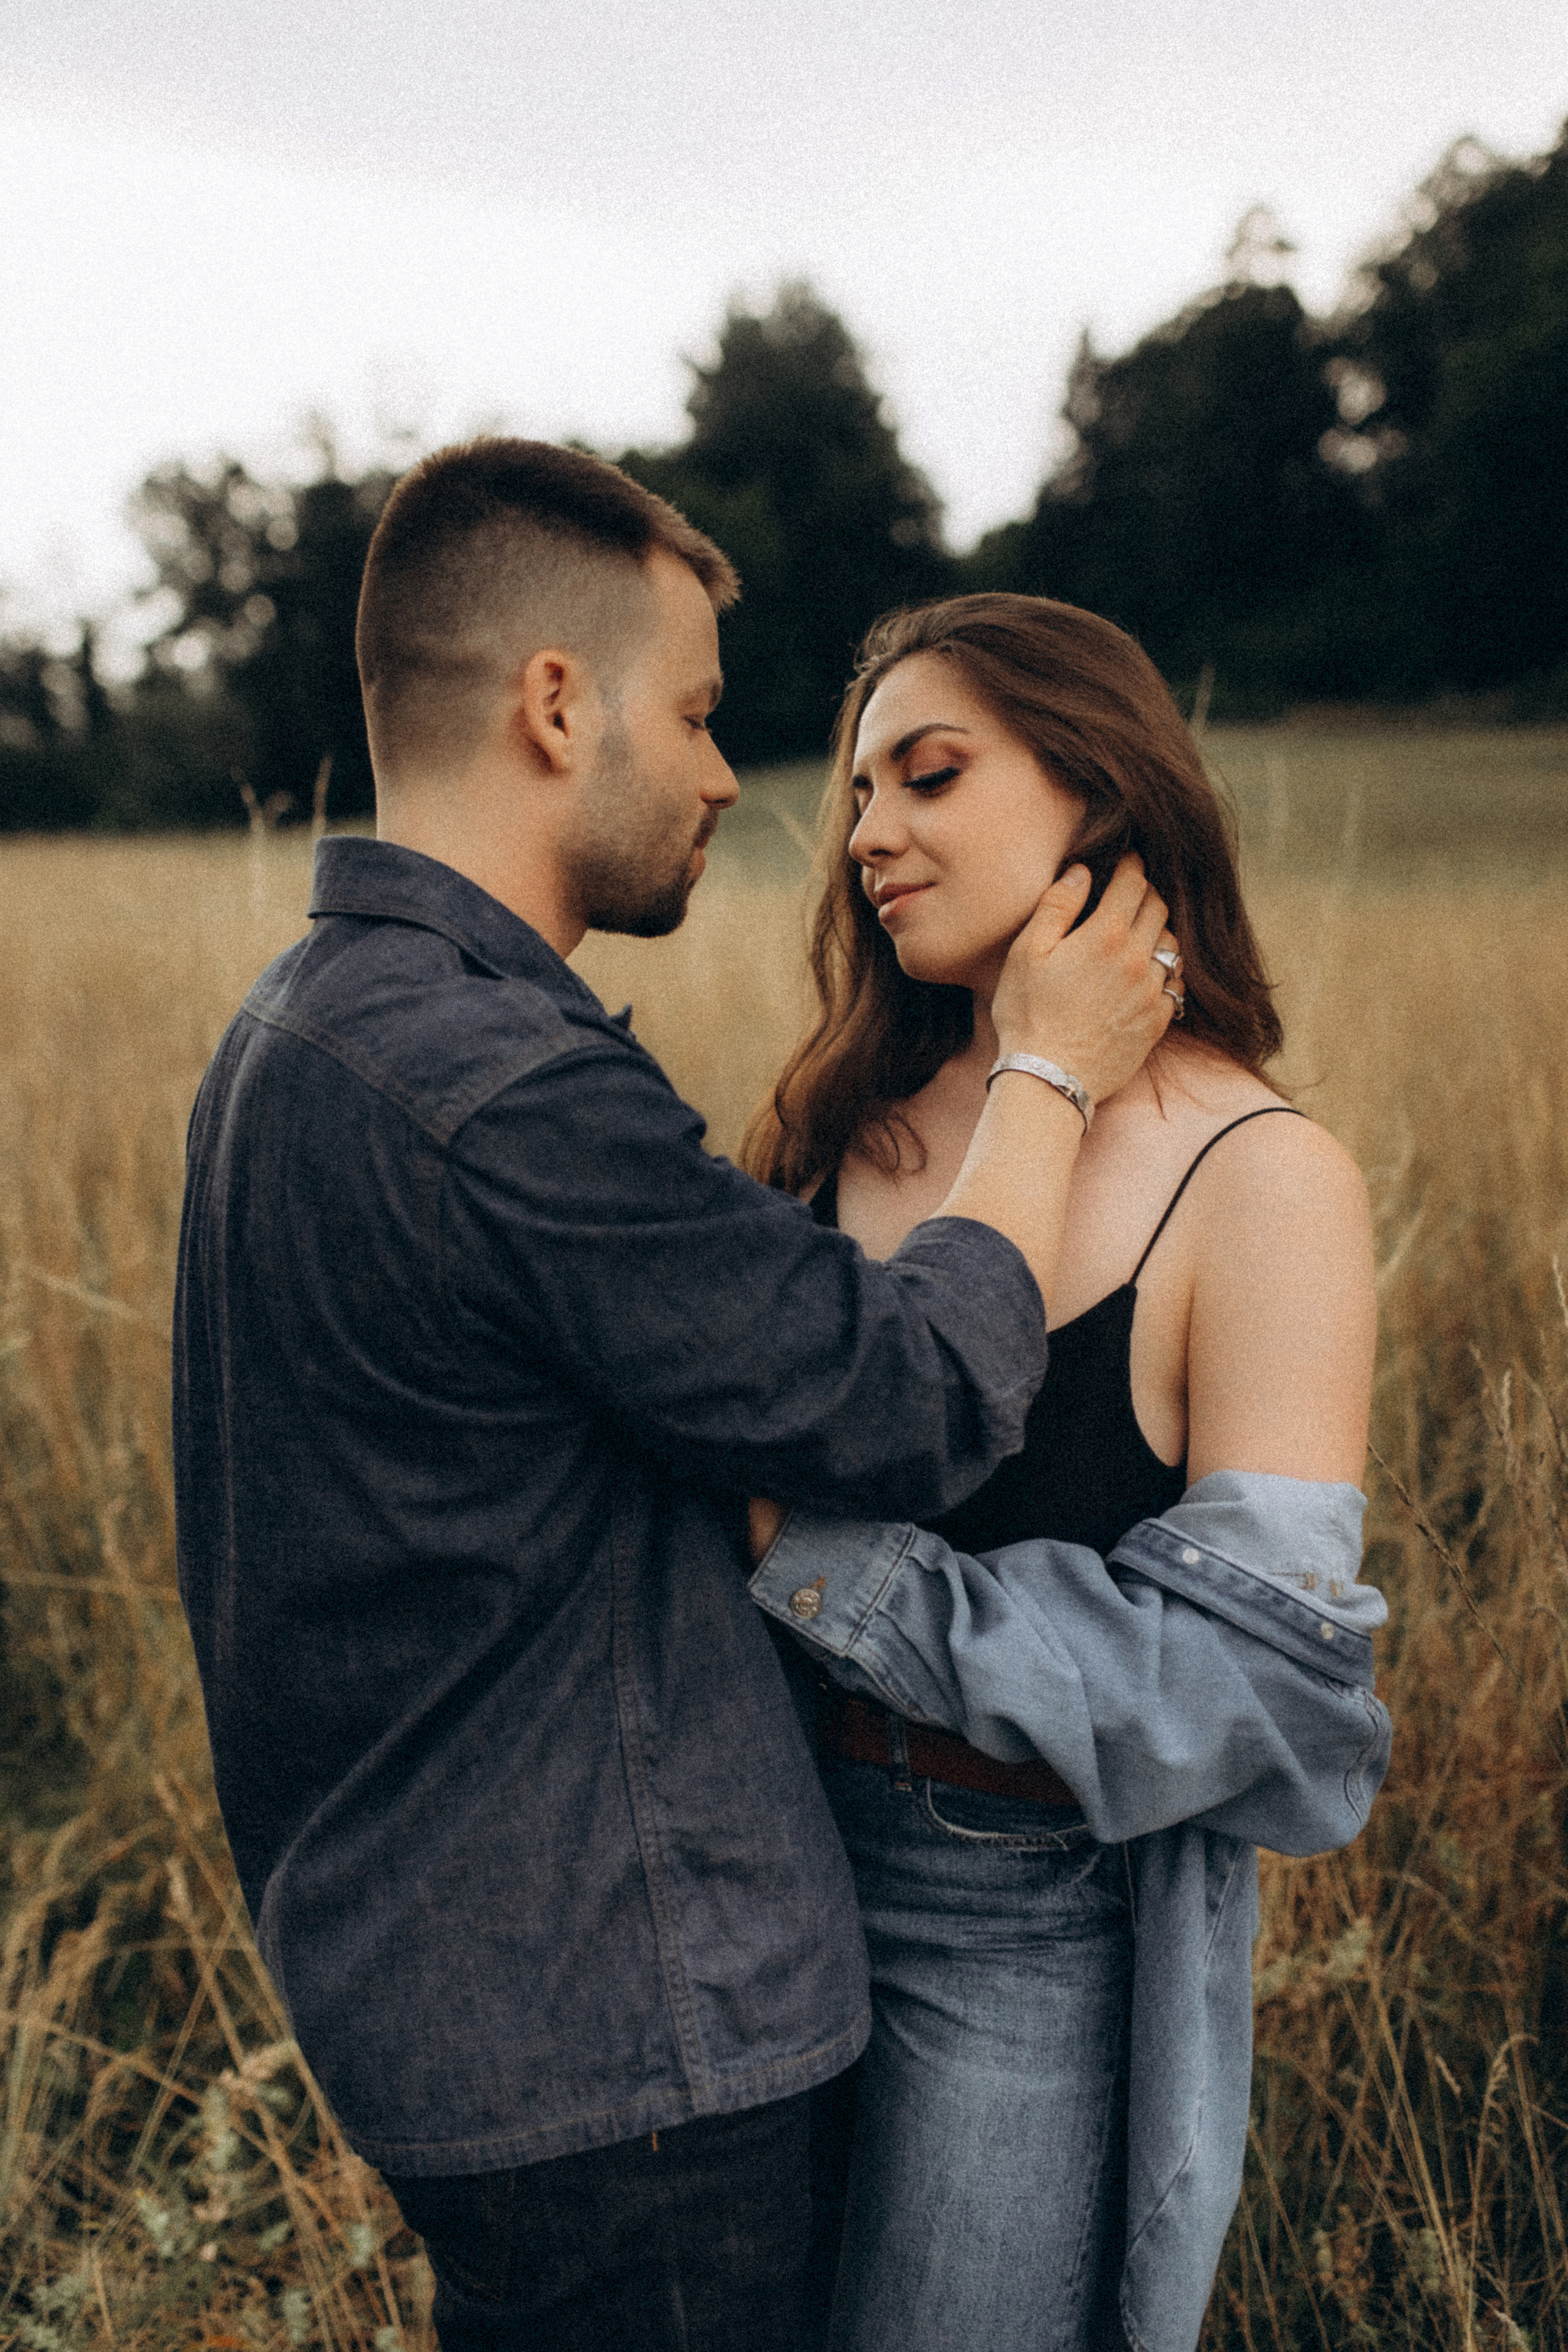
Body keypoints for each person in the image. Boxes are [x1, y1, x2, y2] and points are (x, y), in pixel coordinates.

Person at [170, 445, 1184, 2352]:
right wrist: (1046, 1076)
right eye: (704, 715)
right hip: (623, 2052)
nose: (735, 780)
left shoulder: (295, 1028)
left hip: (464, 2014)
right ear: (559, 705)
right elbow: (912, 1395)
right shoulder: (498, 1086)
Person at [739, 594, 1387, 2352]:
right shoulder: (834, 1130)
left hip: (1011, 1914)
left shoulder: (1260, 1177)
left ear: (1097, 790)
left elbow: (1260, 1690)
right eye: (858, 792)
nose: (868, 834)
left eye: (930, 775)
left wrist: (845, 1580)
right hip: (749, 1864)